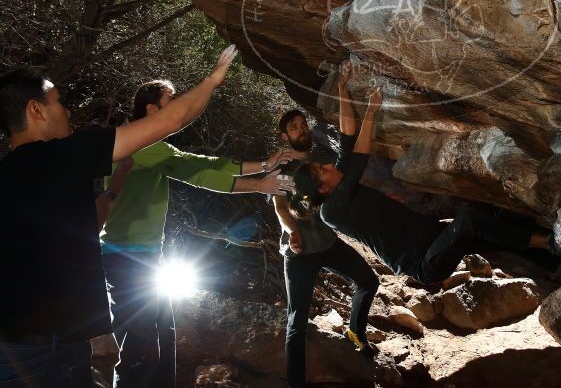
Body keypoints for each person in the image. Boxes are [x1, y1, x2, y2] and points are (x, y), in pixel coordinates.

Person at [0, 46, 241, 386]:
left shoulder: (10, 174)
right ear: (36, 110)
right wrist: (213, 79)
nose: (66, 109)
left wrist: (114, 187)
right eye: (57, 101)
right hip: (53, 351)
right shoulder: (64, 155)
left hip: (11, 349)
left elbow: (88, 228)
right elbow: (171, 120)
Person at [99, 80, 295, 388]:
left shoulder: (145, 144)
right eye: (171, 101)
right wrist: (260, 176)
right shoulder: (141, 145)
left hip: (146, 256)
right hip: (126, 258)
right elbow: (199, 168)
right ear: (152, 110)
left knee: (163, 341)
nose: (178, 107)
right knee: (140, 352)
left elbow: (201, 170)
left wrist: (261, 176)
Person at [293, 66, 561, 286]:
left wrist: (342, 89)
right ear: (323, 189)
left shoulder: (339, 183)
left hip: (434, 236)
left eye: (322, 165)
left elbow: (347, 138)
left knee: (493, 231)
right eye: (322, 171)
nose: (328, 167)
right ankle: (550, 243)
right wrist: (372, 112)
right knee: (470, 221)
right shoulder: (331, 212)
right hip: (423, 262)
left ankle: (558, 263)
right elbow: (359, 157)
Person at [271, 100, 379, 388]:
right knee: (297, 322)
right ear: (285, 136)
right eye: (293, 127)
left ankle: (355, 331)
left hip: (329, 244)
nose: (301, 129)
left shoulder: (320, 157)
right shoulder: (283, 167)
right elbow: (280, 206)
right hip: (299, 253)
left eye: (303, 124)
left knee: (369, 281)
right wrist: (292, 231)